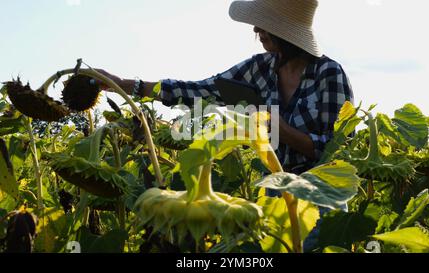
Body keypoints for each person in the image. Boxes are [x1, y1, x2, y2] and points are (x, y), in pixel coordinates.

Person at [97, 0, 354, 252]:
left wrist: (278, 127)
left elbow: (336, 152)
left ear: (287, 33)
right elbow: (200, 90)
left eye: (265, 25)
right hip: (274, 193)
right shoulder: (260, 67)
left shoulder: (328, 74)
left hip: (320, 198)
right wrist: (128, 85)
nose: (256, 30)